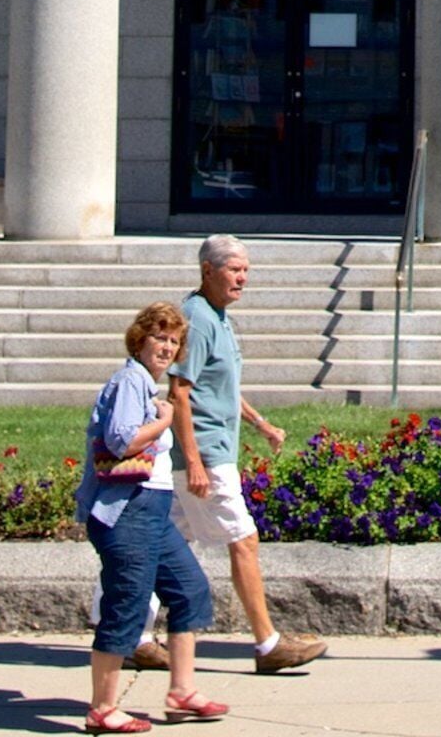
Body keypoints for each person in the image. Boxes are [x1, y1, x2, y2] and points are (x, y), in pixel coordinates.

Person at [134, 236, 325, 675]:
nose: (242, 278)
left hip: (213, 449)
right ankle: (268, 644)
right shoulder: (198, 319)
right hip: (205, 453)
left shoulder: (220, 318)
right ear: (207, 270)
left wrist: (261, 425)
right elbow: (180, 392)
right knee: (244, 540)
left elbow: (222, 387)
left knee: (164, 544)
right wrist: (196, 462)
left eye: (246, 270)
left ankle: (135, 637)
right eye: (234, 269)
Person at [78, 303, 222, 733]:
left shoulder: (145, 386)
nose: (166, 346)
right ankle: (102, 709)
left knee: (189, 589)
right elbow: (120, 441)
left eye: (173, 341)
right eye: (159, 337)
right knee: (127, 602)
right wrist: (165, 422)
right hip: (128, 511)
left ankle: (181, 692)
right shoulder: (129, 381)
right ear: (139, 339)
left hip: (153, 509)